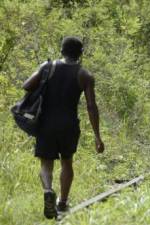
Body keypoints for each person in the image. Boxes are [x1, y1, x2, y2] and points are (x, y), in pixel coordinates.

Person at [22, 37, 104, 219]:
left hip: (46, 124)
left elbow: (26, 85)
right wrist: (97, 136)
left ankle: (48, 190)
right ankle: (62, 203)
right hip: (69, 125)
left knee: (46, 164)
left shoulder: (47, 67)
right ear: (80, 53)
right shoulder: (85, 75)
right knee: (67, 162)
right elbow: (92, 106)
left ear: (61, 51)